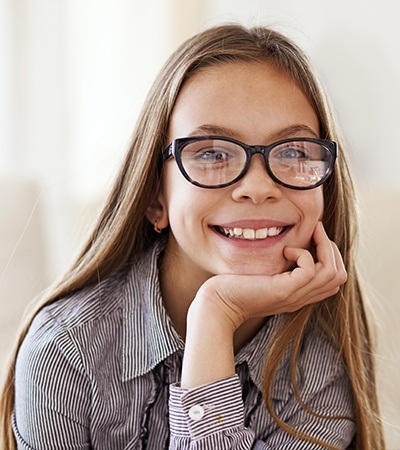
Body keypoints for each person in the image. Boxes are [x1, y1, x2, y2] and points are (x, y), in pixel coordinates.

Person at [0, 24, 385, 449]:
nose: (257, 187)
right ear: (154, 198)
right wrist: (217, 313)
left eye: (294, 151)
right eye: (213, 153)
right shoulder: (66, 350)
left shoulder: (317, 372)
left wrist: (215, 318)